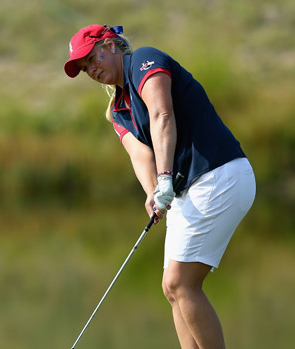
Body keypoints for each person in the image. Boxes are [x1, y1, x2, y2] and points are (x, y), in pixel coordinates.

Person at [64, 24, 256, 349]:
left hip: (217, 174)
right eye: (85, 68)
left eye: (92, 58)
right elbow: (139, 154)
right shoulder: (118, 110)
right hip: (187, 189)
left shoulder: (144, 61)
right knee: (172, 289)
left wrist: (165, 177)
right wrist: (153, 192)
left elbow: (162, 115)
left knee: (181, 283)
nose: (91, 70)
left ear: (111, 45)